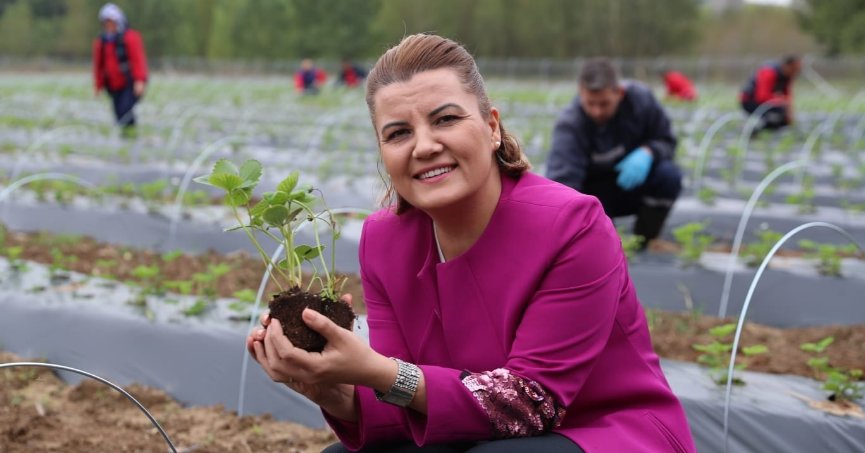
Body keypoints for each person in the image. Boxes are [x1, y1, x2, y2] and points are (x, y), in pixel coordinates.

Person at [247, 34, 696, 452]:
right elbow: (405, 395)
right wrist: (333, 390)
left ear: (491, 126)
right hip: (480, 433)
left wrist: (379, 370)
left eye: (445, 119)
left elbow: (530, 403)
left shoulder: (572, 226)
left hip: (605, 432)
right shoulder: (384, 240)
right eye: (398, 133)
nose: (424, 146)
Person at [545, 58, 682, 250]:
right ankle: (605, 244)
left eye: (604, 104)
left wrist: (649, 151)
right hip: (594, 196)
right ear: (581, 92)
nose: (597, 111)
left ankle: (643, 242)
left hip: (633, 185)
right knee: (602, 247)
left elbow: (667, 140)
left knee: (668, 176)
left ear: (620, 92)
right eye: (590, 103)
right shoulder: (570, 125)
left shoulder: (641, 101)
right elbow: (564, 184)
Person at [92, 2, 148, 136]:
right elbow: (98, 65)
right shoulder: (102, 42)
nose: (109, 25)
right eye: (106, 23)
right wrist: (98, 85)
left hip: (129, 82)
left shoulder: (130, 38)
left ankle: (131, 134)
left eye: (111, 22)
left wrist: (140, 80)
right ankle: (126, 135)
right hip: (113, 85)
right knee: (118, 113)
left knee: (125, 109)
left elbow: (138, 60)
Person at [739, 55, 801, 133]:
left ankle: (762, 130)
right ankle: (752, 129)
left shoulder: (787, 75)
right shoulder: (769, 72)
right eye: (795, 69)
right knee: (780, 113)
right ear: (788, 65)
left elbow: (787, 95)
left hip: (765, 102)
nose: (797, 72)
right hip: (750, 101)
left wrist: (789, 108)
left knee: (784, 117)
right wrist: (782, 102)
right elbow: (762, 96)